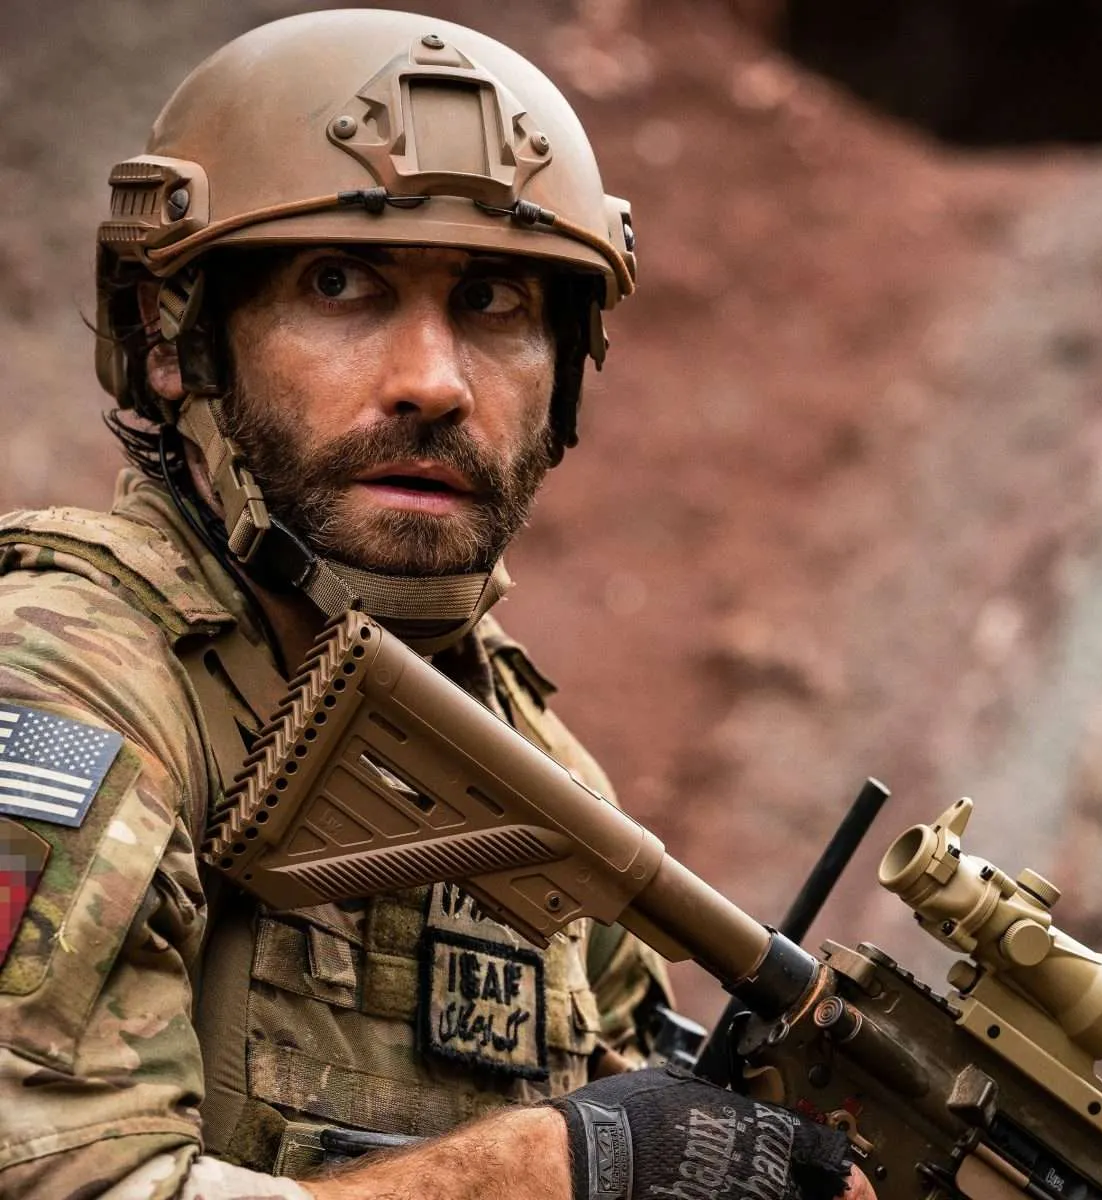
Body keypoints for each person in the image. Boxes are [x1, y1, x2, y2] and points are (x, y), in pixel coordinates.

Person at [0, 11, 873, 1200]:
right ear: (173, 340)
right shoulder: (65, 683)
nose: (432, 382)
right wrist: (540, 1173)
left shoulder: (535, 770)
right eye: (338, 284)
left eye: (494, 300)